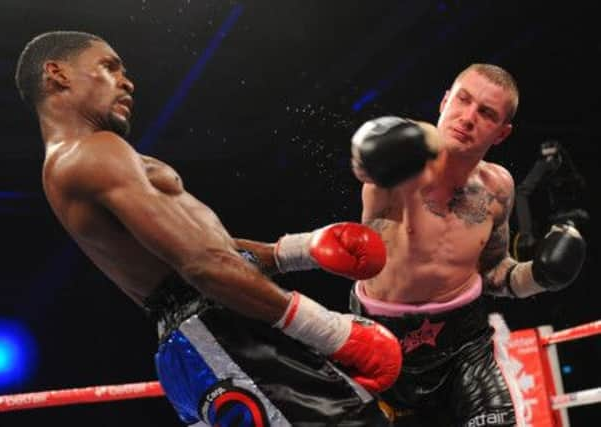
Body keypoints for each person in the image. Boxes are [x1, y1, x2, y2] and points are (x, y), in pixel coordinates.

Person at [14, 30, 404, 426]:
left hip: (209, 340)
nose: (127, 81)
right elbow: (201, 265)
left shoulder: (80, 161)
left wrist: (297, 250)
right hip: (222, 333)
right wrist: (333, 331)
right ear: (57, 74)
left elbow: (199, 252)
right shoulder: (93, 152)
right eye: (109, 67)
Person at [238, 64, 587, 426]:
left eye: (486, 113)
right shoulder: (403, 161)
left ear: (502, 133)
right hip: (381, 345)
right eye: (463, 101)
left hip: (464, 346)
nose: (467, 118)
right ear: (444, 101)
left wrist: (539, 276)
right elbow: (375, 160)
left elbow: (495, 271)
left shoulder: (499, 187)